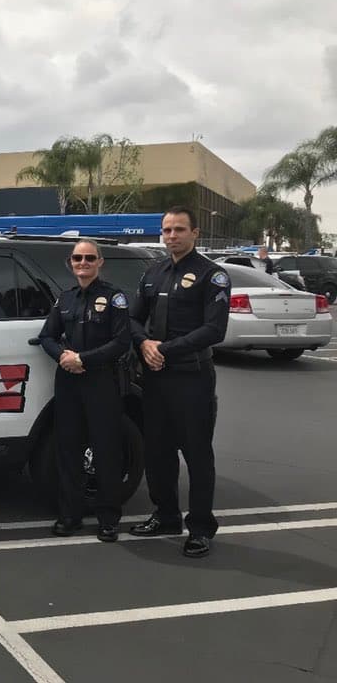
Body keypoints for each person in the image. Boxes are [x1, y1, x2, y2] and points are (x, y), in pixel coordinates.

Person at [129, 206, 230, 558]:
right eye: (167, 230)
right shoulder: (153, 273)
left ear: (195, 233)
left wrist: (165, 349)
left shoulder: (211, 275)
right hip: (156, 378)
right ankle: (167, 515)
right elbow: (133, 319)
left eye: (180, 229)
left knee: (197, 455)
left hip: (192, 378)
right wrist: (144, 343)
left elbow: (214, 330)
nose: (172, 235)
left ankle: (200, 528)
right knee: (157, 452)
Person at [37, 240, 130, 542]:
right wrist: (63, 357)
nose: (84, 263)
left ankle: (108, 518)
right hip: (68, 382)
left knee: (106, 451)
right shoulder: (65, 299)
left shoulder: (114, 298)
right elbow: (47, 336)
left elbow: (121, 342)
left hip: (101, 380)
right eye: (78, 258)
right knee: (68, 449)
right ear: (71, 262)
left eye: (90, 258)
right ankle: (70, 515)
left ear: (100, 262)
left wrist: (83, 359)